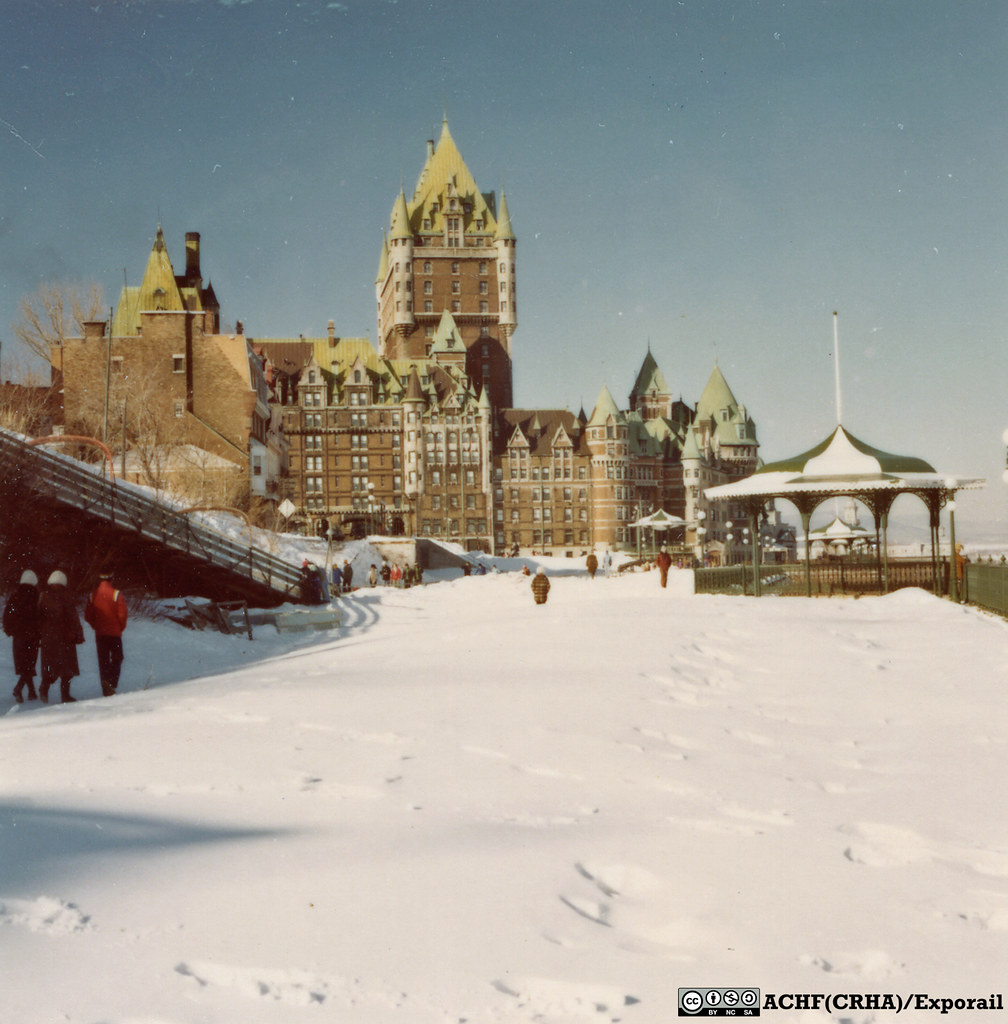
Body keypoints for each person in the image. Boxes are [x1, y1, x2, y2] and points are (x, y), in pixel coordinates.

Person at [38, 570, 84, 704]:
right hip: (65, 638)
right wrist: (78, 635)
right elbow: (73, 618)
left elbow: (38, 617)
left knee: (49, 667)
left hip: (48, 638)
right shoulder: (66, 597)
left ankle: (44, 689)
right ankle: (65, 695)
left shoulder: (43, 596)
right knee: (67, 669)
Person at [84, 573, 128, 696]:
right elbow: (122, 615)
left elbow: (88, 616)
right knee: (117, 658)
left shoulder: (92, 595)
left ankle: (105, 685)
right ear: (111, 579)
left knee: (103, 660)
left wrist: (95, 626)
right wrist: (120, 627)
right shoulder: (116, 594)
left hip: (100, 634)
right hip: (115, 634)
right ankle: (111, 683)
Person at [3, 570, 41, 703]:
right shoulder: (37, 597)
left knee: (23, 664)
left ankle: (31, 692)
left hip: (18, 636)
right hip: (33, 635)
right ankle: (19, 688)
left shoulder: (15, 597)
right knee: (29, 664)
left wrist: (10, 630)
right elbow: (41, 616)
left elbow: (7, 615)